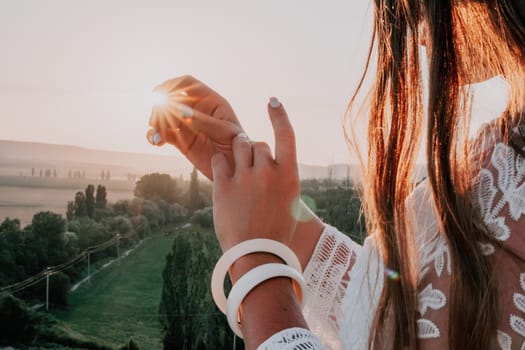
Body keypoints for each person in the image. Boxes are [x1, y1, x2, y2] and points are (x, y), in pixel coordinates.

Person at [147, 0, 525, 349]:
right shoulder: (504, 153)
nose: (405, 17)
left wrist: (258, 263)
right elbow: (397, 317)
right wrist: (275, 213)